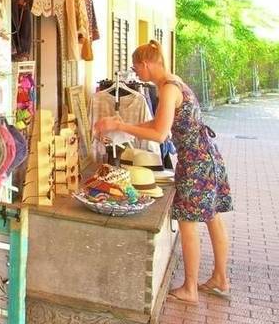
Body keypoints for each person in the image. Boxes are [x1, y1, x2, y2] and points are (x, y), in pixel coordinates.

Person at [94, 40, 232, 305]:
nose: (137, 75)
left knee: (188, 223)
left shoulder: (168, 90)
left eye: (137, 69)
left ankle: (190, 288)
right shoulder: (173, 82)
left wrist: (119, 124)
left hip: (196, 163)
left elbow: (159, 134)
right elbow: (158, 123)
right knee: (213, 218)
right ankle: (220, 278)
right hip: (207, 157)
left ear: (146, 64)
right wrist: (121, 124)